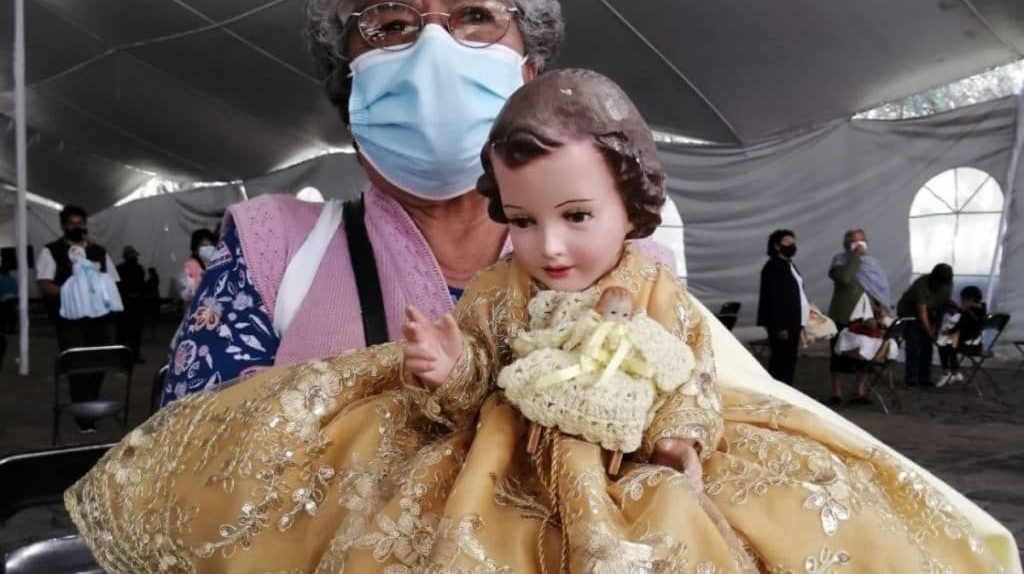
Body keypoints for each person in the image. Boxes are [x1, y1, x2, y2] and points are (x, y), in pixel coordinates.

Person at [66, 70, 1011, 573]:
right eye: (522, 220)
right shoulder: (500, 287)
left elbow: (686, 372)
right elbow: (483, 359)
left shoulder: (649, 289)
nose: (549, 245)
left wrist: (679, 439)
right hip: (506, 454)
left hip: (625, 462)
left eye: (576, 216)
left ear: (631, 209)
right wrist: (449, 365)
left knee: (696, 528)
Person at [159, 0, 580, 404]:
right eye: (391, 27)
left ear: (529, 72)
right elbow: (184, 459)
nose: (434, 49)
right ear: (350, 83)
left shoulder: (620, 260)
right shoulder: (270, 253)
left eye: (475, 13)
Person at [36, 204, 120, 431]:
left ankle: (90, 404)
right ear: (64, 226)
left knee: (100, 362)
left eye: (81, 223)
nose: (78, 227)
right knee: (78, 365)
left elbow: (112, 280)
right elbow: (44, 284)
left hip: (99, 320)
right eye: (72, 224)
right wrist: (72, 291)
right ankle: (84, 417)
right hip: (70, 322)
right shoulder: (51, 251)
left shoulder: (98, 252)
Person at [826, 228, 894, 405]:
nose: (859, 244)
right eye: (854, 241)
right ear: (846, 244)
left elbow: (878, 287)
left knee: (865, 353)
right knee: (838, 354)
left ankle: (860, 391)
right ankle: (836, 392)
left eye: (862, 240)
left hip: (867, 314)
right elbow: (845, 279)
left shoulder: (872, 263)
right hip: (843, 313)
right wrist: (855, 257)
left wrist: (880, 307)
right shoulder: (839, 261)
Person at [756, 229, 808, 385]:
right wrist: (780, 326)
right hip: (782, 323)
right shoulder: (773, 267)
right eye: (787, 241)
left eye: (793, 241)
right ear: (776, 245)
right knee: (781, 361)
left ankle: (787, 390)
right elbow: (773, 298)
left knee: (789, 360)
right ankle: (778, 391)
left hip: (794, 320)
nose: (791, 245)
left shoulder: (789, 265)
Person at [897, 263, 953, 387]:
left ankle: (924, 377)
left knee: (927, 346)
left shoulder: (947, 284)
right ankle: (911, 378)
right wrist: (930, 333)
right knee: (914, 344)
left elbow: (942, 306)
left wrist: (936, 328)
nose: (941, 287)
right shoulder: (921, 285)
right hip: (909, 312)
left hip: (930, 311)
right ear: (934, 279)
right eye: (939, 283)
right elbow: (921, 313)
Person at [936, 285, 986, 386]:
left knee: (942, 344)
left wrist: (948, 332)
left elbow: (959, 327)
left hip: (968, 345)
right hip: (978, 344)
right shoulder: (982, 310)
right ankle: (955, 372)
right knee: (950, 343)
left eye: (963, 299)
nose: (961, 302)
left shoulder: (968, 312)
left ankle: (946, 372)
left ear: (970, 299)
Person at [116, 246, 147, 363]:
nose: (134, 257)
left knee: (135, 332)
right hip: (126, 304)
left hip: (134, 304)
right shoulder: (122, 269)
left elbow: (141, 285)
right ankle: (121, 356)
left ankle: (133, 355)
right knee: (123, 332)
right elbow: (118, 286)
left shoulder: (138, 269)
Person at [178, 228, 217, 306]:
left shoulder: (216, 264)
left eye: (210, 245)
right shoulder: (190, 266)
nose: (208, 248)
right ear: (195, 249)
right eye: (204, 245)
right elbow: (185, 294)